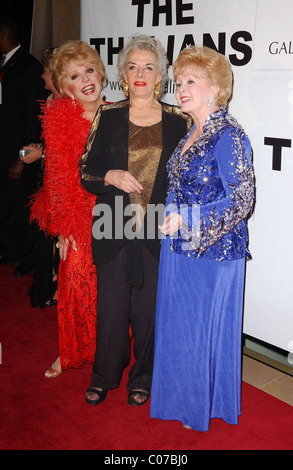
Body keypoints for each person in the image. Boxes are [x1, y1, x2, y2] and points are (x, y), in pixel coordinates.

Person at [150, 45, 255, 431]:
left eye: (191, 81)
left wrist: (189, 220)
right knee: (180, 327)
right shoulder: (191, 132)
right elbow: (179, 187)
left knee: (200, 329)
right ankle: (180, 397)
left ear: (215, 89)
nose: (181, 88)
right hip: (179, 246)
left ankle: (201, 404)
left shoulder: (229, 135)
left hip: (215, 251)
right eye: (179, 82)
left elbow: (242, 199)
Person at [80, 34, 189, 407]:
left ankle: (143, 377)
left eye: (148, 67)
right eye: (132, 66)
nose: (140, 73)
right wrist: (109, 176)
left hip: (157, 227)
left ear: (160, 75)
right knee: (110, 310)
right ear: (123, 75)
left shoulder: (178, 120)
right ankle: (104, 376)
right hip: (111, 223)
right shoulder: (107, 115)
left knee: (148, 313)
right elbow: (85, 172)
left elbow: (187, 178)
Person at [30, 40, 107, 378]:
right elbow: (57, 177)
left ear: (101, 73)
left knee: (111, 288)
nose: (86, 79)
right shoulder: (60, 119)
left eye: (89, 70)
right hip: (78, 214)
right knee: (74, 283)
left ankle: (109, 348)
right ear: (64, 87)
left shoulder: (121, 112)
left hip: (116, 212)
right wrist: (63, 229)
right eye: (75, 75)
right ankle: (71, 350)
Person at [0, 16, 47, 276]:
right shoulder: (5, 64)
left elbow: (34, 117)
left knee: (22, 206)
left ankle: (28, 258)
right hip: (3, 151)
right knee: (6, 204)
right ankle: (11, 250)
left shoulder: (29, 66)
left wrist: (21, 157)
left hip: (21, 154)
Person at [22, 48, 61, 308]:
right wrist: (41, 148)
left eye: (46, 70)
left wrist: (43, 152)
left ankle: (55, 286)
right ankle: (49, 285)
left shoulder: (72, 105)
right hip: (46, 179)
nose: (42, 75)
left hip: (63, 184)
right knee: (45, 236)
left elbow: (75, 149)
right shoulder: (50, 103)